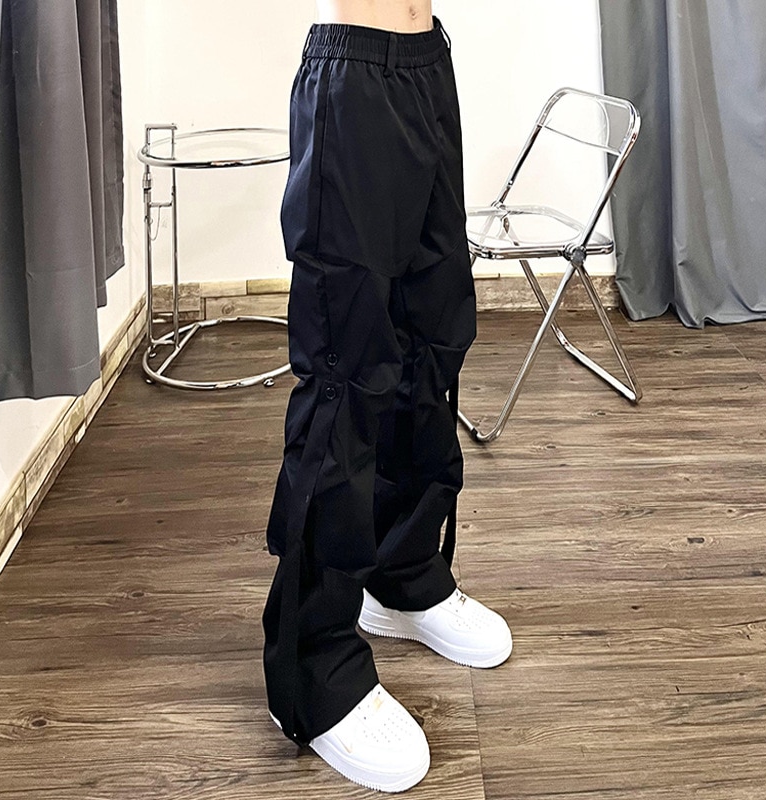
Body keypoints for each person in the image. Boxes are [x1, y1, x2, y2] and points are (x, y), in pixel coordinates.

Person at [263, 1, 513, 792]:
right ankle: (314, 668)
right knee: (346, 370)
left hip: (427, 65)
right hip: (354, 78)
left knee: (433, 337)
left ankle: (402, 571)